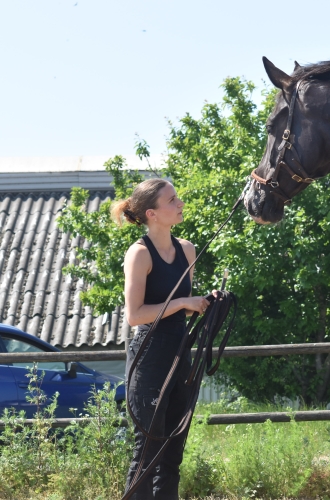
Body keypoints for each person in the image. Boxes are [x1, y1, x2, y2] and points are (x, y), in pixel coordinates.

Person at [111, 178, 210, 500]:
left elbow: (181, 310)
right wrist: (182, 303)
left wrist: (205, 304)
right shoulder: (139, 254)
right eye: (172, 200)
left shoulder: (187, 249)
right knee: (148, 452)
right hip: (150, 357)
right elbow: (135, 315)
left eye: (177, 197)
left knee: (172, 452)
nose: (180, 203)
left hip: (180, 353)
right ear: (152, 213)